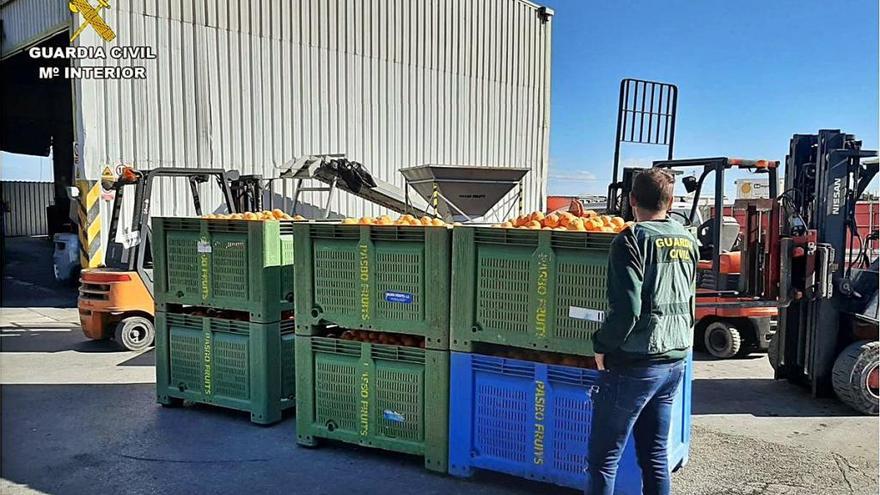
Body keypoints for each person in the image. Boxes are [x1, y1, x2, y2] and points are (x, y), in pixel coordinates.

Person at [586, 168, 698, 495]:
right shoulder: (686, 237)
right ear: (671, 200)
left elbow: (627, 311)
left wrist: (601, 345)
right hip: (675, 359)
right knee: (654, 455)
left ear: (632, 199)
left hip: (636, 361)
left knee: (603, 460)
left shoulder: (631, 239)